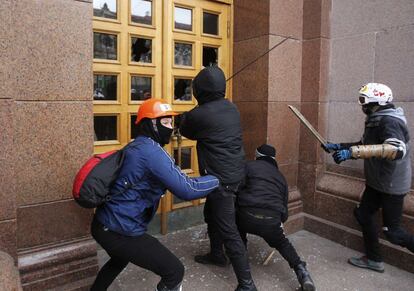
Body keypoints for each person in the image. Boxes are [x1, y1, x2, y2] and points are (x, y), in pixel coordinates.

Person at [90, 98, 220, 291]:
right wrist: (217, 179)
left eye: (171, 122)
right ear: (150, 124)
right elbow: (187, 189)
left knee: (119, 260)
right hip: (120, 229)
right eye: (165, 122)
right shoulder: (150, 152)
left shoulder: (139, 145)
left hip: (104, 224)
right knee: (174, 271)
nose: (170, 127)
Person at [179, 66, 257, 291]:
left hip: (220, 180)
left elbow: (187, 130)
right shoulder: (232, 109)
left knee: (228, 228)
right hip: (235, 174)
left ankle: (247, 284)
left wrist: (190, 113)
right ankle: (216, 254)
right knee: (211, 215)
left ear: (199, 89)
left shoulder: (199, 114)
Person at [323, 83, 414, 272]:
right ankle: (374, 259)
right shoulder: (375, 119)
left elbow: (396, 149)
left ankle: (375, 258)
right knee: (363, 214)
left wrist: (352, 153)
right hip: (377, 182)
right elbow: (364, 144)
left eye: (363, 100)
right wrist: (339, 146)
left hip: (391, 185)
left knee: (394, 233)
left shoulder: (390, 121)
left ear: (377, 101)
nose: (361, 104)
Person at [236, 144, 316, 291]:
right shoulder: (281, 178)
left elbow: (237, 189)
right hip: (272, 220)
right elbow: (284, 211)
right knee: (282, 243)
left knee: (236, 226)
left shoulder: (248, 166)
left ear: (257, 156)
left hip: (247, 215)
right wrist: (278, 222)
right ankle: (302, 271)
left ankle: (243, 263)